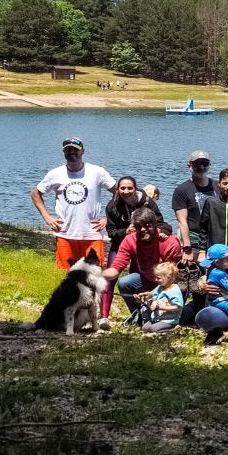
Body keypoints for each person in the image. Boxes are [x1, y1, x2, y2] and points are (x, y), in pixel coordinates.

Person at [32, 136, 116, 269]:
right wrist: (47, 218)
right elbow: (36, 193)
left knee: (94, 274)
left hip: (92, 233)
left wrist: (108, 218)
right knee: (65, 275)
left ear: (83, 151)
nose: (72, 153)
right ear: (64, 152)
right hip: (65, 233)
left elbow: (119, 193)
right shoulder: (55, 173)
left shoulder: (97, 172)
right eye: (68, 150)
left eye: (75, 150)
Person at [101, 207, 183, 323]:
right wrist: (95, 275)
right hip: (146, 278)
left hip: (169, 284)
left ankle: (166, 316)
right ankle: (139, 315)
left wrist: (152, 293)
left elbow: (172, 278)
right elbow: (115, 269)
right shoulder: (129, 240)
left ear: (155, 224)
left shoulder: (169, 242)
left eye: (148, 225)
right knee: (125, 282)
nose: (143, 229)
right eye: (139, 226)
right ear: (134, 226)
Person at [172, 149, 215, 261]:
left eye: (204, 164)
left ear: (209, 165)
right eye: (197, 164)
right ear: (189, 165)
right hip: (195, 241)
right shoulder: (182, 190)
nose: (201, 167)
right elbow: (182, 222)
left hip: (216, 239)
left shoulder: (217, 186)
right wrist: (187, 248)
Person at [105, 176, 163, 256]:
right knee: (113, 266)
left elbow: (160, 222)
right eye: (122, 188)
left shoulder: (147, 202)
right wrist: (125, 231)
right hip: (121, 242)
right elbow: (111, 232)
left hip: (145, 241)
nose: (126, 191)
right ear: (117, 190)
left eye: (130, 188)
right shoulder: (112, 206)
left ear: (135, 188)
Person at [199, 243, 228, 318]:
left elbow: (224, 281)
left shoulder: (216, 270)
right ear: (217, 262)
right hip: (220, 300)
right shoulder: (219, 273)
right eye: (227, 259)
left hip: (224, 298)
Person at [138, 261, 185, 334]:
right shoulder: (160, 287)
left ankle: (174, 328)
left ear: (168, 277)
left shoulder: (174, 290)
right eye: (155, 277)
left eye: (158, 278)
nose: (155, 280)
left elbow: (178, 307)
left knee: (153, 329)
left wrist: (161, 307)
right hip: (157, 318)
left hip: (169, 320)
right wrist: (147, 297)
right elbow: (152, 296)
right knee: (145, 328)